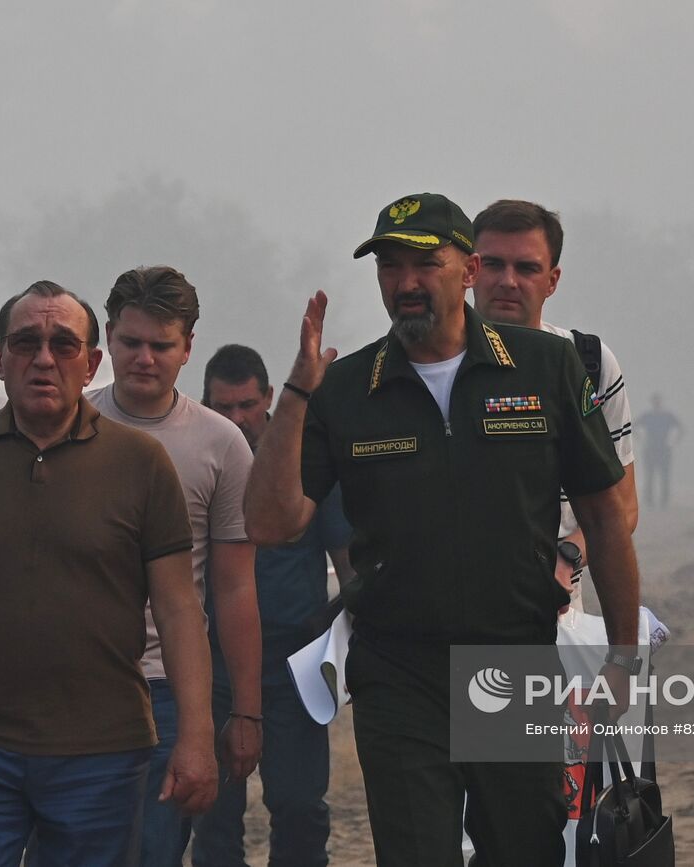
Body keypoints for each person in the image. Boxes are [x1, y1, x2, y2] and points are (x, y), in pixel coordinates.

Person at [244, 192, 642, 867]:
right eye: (390, 266)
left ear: (467, 270)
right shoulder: (345, 387)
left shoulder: (545, 368)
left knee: (526, 852)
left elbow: (607, 517)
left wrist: (623, 657)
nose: (405, 282)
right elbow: (270, 521)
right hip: (398, 673)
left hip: (514, 660)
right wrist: (297, 392)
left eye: (425, 263)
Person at [0, 280, 218, 866]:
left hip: (102, 755)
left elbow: (180, 611)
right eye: (25, 343)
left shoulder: (140, 465)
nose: (44, 359)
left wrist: (196, 739)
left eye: (64, 344)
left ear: (92, 363)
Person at [86, 266, 261, 866]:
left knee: (153, 852)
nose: (143, 358)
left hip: (167, 689)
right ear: (108, 338)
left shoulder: (221, 445)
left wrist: (244, 709)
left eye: (161, 345)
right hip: (68, 687)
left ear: (188, 348)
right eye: (130, 342)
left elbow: (235, 588)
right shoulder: (65, 426)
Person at [193, 344, 354, 867]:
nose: (237, 419)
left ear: (267, 399)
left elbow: (348, 561)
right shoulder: (195, 470)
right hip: (212, 665)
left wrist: (357, 637)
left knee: (300, 806)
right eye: (223, 408)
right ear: (204, 405)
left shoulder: (303, 464)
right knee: (212, 811)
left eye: (246, 405)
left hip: (294, 664)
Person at [470, 198, 638, 602]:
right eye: (493, 264)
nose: (508, 281)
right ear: (468, 271)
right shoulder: (434, 364)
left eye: (527, 268)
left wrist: (567, 557)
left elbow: (623, 509)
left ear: (553, 279)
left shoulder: (590, 364)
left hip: (559, 611)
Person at [635, 393, 682, 509]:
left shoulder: (665, 416)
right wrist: (640, 439)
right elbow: (634, 426)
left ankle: (663, 501)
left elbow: (681, 428)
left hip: (662, 448)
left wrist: (674, 441)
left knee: (663, 476)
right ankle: (650, 500)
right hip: (652, 448)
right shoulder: (649, 416)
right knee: (650, 476)